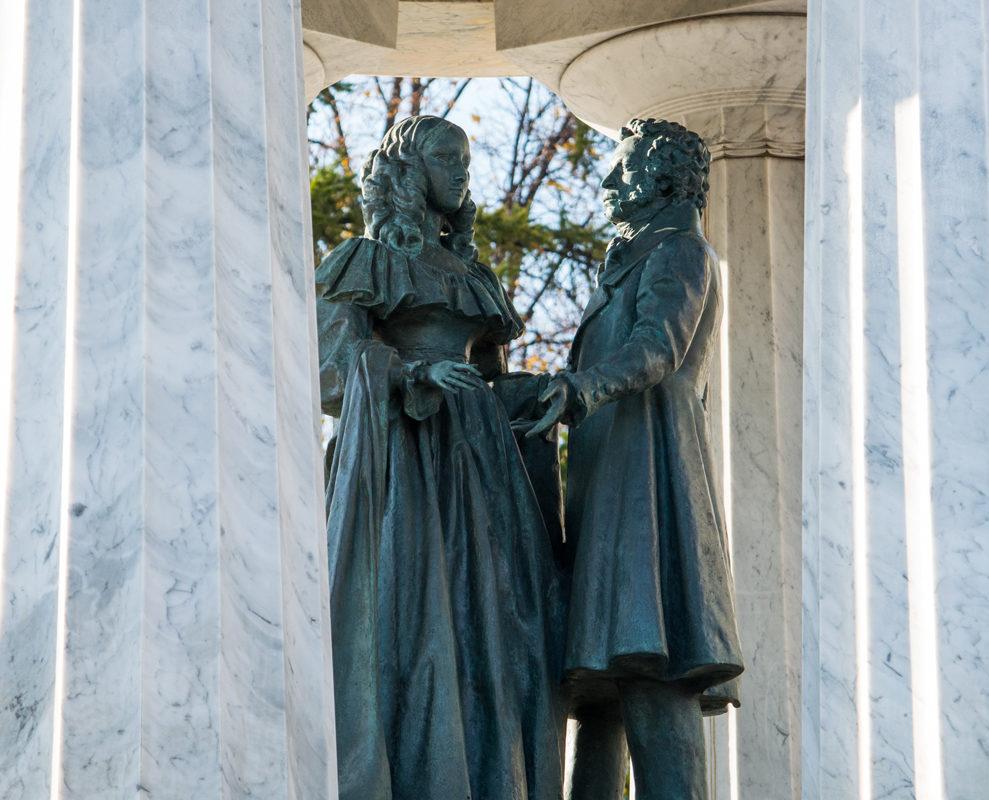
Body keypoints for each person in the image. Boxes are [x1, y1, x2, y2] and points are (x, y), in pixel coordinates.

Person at [318, 115, 565, 800]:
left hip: (479, 461)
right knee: (409, 608)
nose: (459, 172)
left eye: (465, 158)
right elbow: (329, 365)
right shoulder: (364, 261)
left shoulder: (471, 272)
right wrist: (412, 377)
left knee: (485, 617)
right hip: (401, 457)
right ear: (408, 170)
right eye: (443, 159)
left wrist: (557, 393)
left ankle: (485, 768)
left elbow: (493, 372)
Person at [527, 118, 742, 800]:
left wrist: (579, 389)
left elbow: (659, 347)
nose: (610, 180)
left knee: (652, 660)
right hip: (610, 478)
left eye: (623, 168)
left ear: (662, 176)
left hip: (650, 475)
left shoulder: (680, 250)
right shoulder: (631, 255)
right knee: (603, 683)